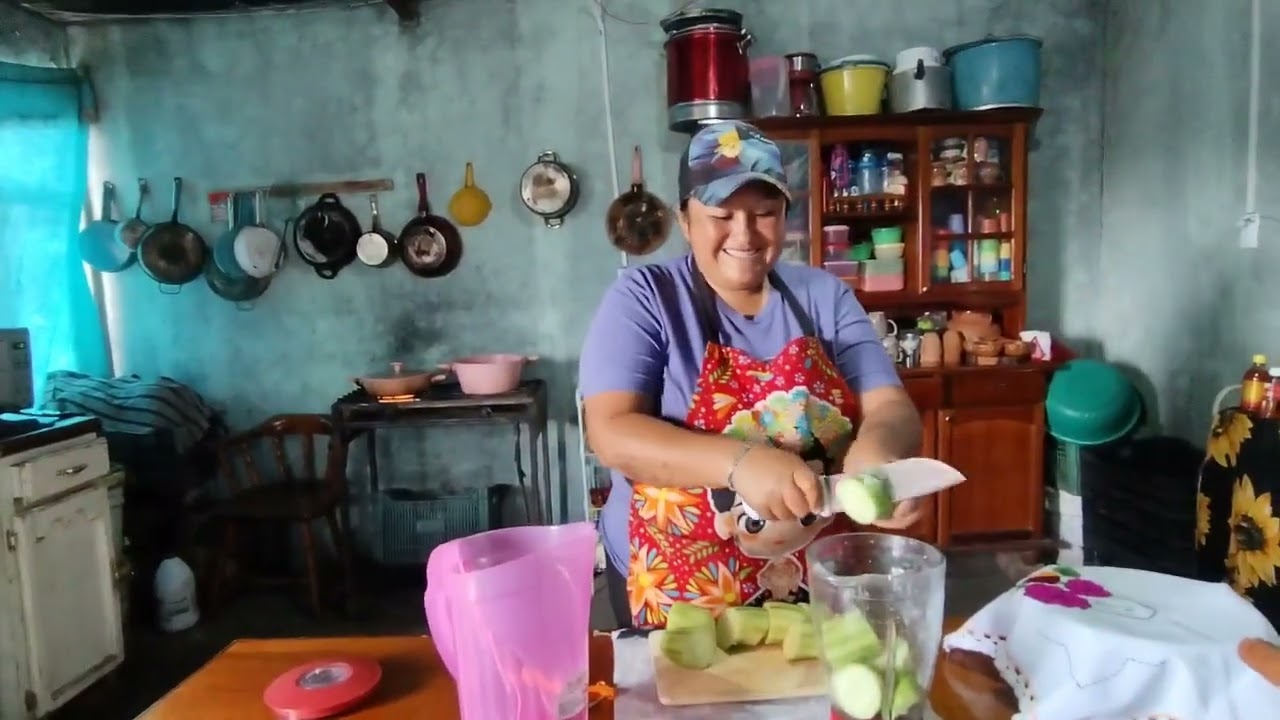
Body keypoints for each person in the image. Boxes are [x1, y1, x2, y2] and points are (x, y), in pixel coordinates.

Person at [578, 120, 925, 629]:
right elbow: (611, 433)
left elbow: (890, 407)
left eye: (764, 214)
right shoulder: (645, 299)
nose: (744, 234)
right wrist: (740, 463)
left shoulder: (823, 297)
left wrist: (875, 456)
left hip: (804, 568)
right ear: (685, 219)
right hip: (680, 579)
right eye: (722, 214)